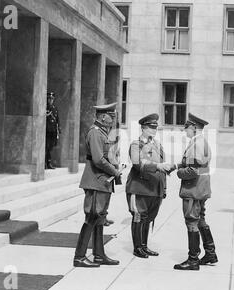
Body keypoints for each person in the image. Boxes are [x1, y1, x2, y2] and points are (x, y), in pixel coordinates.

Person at [73, 103, 121, 268]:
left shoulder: (102, 132)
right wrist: (114, 171)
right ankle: (79, 257)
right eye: (111, 116)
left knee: (99, 217)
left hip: (101, 181)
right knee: (92, 217)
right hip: (95, 180)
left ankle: (99, 255)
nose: (113, 119)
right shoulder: (95, 133)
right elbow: (98, 159)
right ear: (102, 116)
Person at [173, 113, 217, 271]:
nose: (185, 131)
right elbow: (198, 165)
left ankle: (193, 259)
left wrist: (179, 173)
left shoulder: (196, 144)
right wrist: (178, 165)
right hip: (202, 188)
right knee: (200, 220)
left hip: (193, 189)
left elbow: (193, 170)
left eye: (187, 128)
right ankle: (210, 253)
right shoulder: (203, 142)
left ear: (193, 127)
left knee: (191, 221)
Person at [126, 114, 172, 259]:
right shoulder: (136, 144)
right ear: (143, 128)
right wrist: (158, 166)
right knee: (139, 216)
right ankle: (137, 247)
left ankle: (144, 246)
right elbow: (137, 163)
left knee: (149, 217)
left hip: (155, 189)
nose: (153, 131)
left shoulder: (158, 145)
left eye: (155, 128)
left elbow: (163, 168)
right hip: (140, 187)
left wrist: (163, 188)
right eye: (150, 128)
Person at [45, 92, 61, 170]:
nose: (50, 100)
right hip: (47, 131)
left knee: (50, 147)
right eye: (49, 99)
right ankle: (46, 163)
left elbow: (57, 120)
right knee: (46, 147)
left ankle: (49, 162)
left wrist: (59, 129)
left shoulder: (54, 108)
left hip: (53, 131)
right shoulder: (45, 108)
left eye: (52, 99)